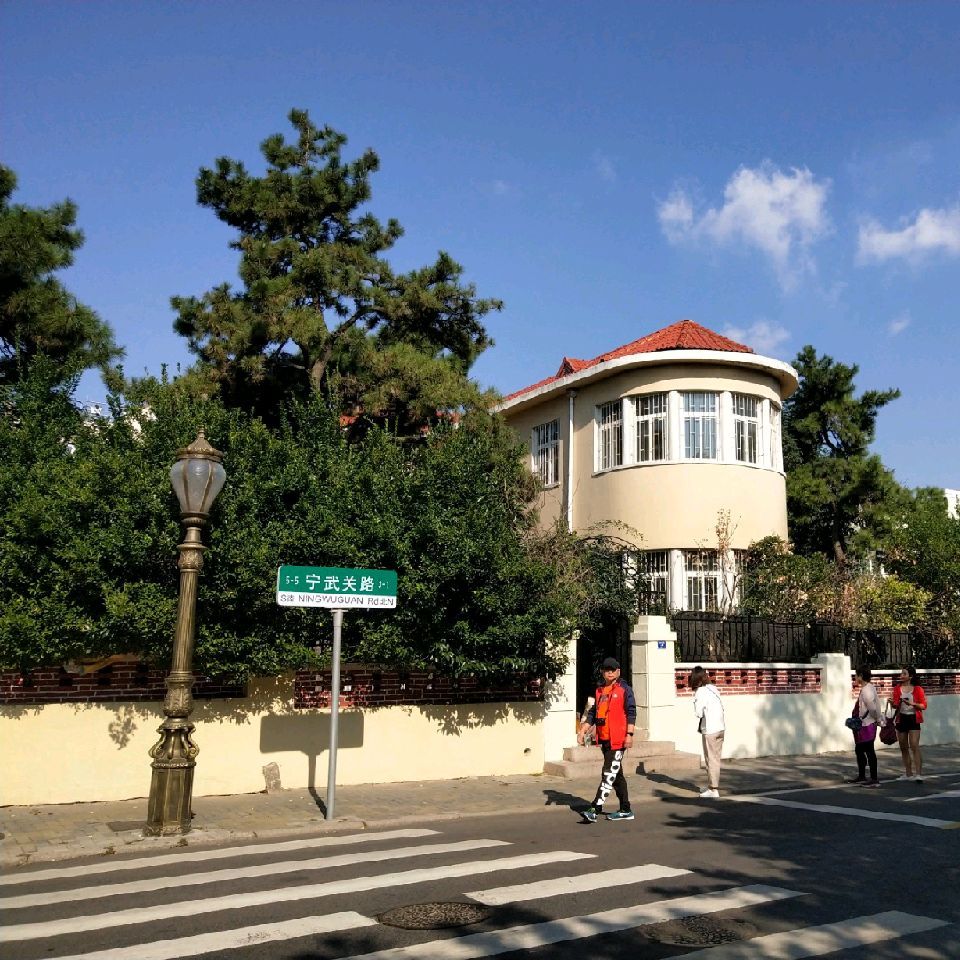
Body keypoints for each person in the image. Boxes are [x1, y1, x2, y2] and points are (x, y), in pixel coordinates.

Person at [577, 657, 637, 822]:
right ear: (602, 672)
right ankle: (625, 809)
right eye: (606, 670)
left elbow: (631, 712)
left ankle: (594, 809)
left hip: (618, 739)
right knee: (616, 775)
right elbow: (593, 713)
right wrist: (583, 730)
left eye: (612, 669)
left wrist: (629, 735)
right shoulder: (599, 691)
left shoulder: (625, 690)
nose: (609, 672)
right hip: (604, 738)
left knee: (608, 773)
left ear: (618, 671)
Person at [688, 666, 725, 798]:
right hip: (720, 727)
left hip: (710, 729)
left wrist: (695, 701)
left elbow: (698, 713)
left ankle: (713, 790)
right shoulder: (713, 688)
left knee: (711, 760)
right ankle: (711, 786)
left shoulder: (700, 692)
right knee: (716, 758)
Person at [890, 665, 928, 782]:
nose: (901, 675)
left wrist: (913, 704)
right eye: (901, 673)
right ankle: (908, 773)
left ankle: (918, 774)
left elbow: (924, 705)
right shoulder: (897, 688)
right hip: (901, 718)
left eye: (904, 673)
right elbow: (895, 705)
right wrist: (892, 703)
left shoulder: (918, 689)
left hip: (913, 718)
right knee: (903, 747)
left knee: (914, 745)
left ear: (910, 676)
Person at [845, 665, 881, 787]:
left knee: (869, 751)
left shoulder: (866, 690)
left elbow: (872, 708)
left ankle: (874, 779)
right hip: (865, 724)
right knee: (859, 750)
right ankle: (862, 776)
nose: (855, 677)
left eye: (856, 675)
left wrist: (877, 719)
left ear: (861, 676)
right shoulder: (869, 687)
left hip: (867, 725)